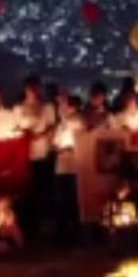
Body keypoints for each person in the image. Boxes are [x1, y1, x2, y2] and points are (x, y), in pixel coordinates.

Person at [13, 76, 56, 238]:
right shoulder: (18, 108)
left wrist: (38, 135)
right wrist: (25, 133)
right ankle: (26, 227)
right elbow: (16, 128)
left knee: (42, 191)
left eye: (35, 87)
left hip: (42, 153)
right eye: (29, 88)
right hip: (24, 155)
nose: (32, 91)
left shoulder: (47, 107)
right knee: (26, 192)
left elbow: (51, 127)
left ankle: (43, 226)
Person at [53, 95, 87, 241]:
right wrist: (59, 148)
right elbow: (54, 143)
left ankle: (75, 231)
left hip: (74, 166)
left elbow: (83, 141)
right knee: (61, 200)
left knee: (74, 200)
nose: (63, 108)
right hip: (61, 166)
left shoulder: (80, 122)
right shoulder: (61, 124)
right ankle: (63, 231)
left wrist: (70, 148)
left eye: (66, 106)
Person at [101, 177, 138, 250]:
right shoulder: (110, 202)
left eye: (126, 190)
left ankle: (128, 249)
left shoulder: (131, 202)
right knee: (114, 232)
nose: (123, 192)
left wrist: (134, 220)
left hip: (127, 224)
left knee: (130, 230)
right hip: (114, 225)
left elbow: (135, 215)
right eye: (122, 190)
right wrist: (110, 222)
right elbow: (105, 215)